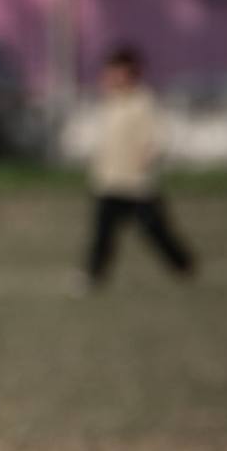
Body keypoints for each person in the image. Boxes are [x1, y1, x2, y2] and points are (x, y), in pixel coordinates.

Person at [81, 44, 196, 288]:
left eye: (119, 72)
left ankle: (183, 265)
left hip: (136, 183)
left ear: (131, 72)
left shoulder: (143, 101)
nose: (113, 77)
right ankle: (93, 275)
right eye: (111, 72)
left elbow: (160, 136)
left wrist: (150, 154)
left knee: (155, 229)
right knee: (103, 233)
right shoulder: (109, 102)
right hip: (109, 181)